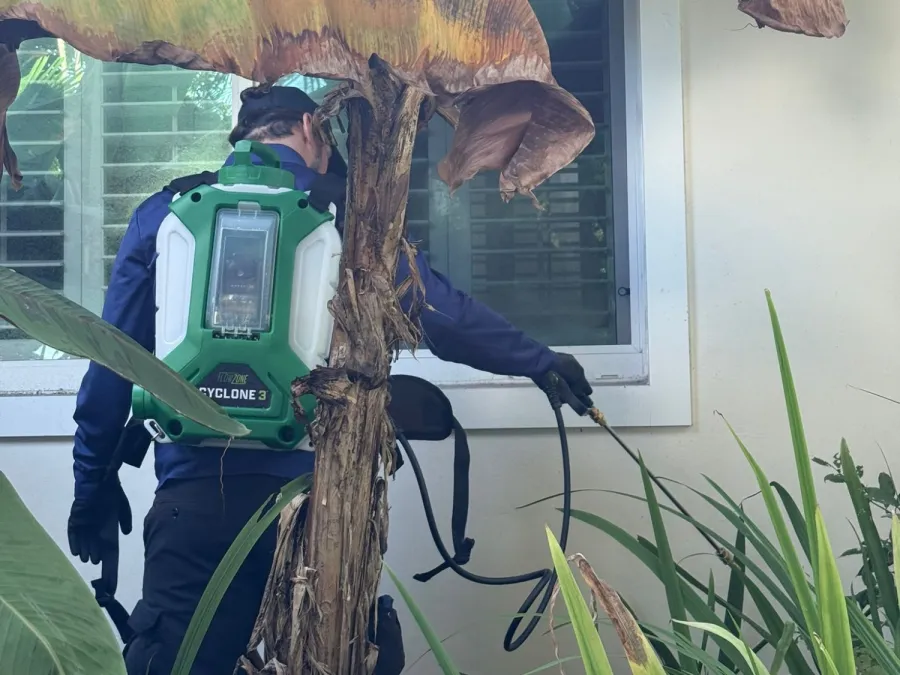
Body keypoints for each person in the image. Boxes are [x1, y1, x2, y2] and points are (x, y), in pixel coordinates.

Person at [67, 84, 593, 675]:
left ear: (240, 140)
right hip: (318, 507)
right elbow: (442, 313)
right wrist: (539, 361)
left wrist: (92, 486)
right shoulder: (349, 218)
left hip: (194, 505)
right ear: (314, 132)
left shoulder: (164, 213)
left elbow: (111, 367)